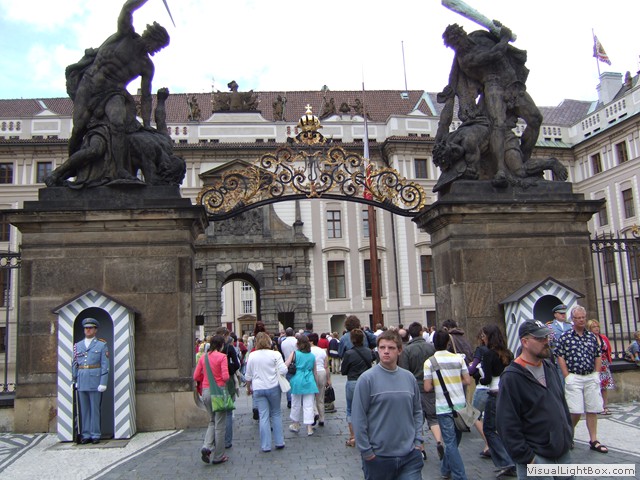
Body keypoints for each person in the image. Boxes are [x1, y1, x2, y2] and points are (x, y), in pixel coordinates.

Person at [66, 0, 170, 182]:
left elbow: (146, 97)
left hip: (114, 92)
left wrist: (146, 124)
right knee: (78, 128)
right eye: (158, 46)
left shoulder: (146, 65)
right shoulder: (125, 35)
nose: (157, 50)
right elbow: (127, 8)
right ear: (151, 37)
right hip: (90, 84)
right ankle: (72, 169)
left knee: (118, 123)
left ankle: (120, 169)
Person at [441, 22, 542, 184]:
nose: (457, 46)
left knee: (536, 119)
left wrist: (497, 30)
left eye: (457, 40)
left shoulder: (479, 36)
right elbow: (494, 54)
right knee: (498, 124)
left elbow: (494, 40)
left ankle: (524, 158)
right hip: (493, 85)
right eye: (453, 45)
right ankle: (501, 169)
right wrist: (505, 38)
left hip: (512, 83)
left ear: (462, 34)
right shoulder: (465, 59)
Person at [497, 320, 574, 480]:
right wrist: (528, 458)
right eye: (539, 338)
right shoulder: (512, 377)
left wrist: (567, 434)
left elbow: (561, 403)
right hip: (536, 457)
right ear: (525, 342)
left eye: (546, 337)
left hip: (562, 453)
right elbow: (507, 423)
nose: (546, 341)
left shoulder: (549, 367)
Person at [352, 330, 425, 480]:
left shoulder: (409, 378)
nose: (386, 351)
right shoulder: (366, 379)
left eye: (391, 348)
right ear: (377, 350)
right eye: (382, 347)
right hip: (378, 457)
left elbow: (417, 411)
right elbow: (358, 417)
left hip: (409, 456)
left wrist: (418, 441)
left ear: (399, 350)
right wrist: (367, 452)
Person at [555, 305, 608, 453]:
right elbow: (560, 356)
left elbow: (598, 355)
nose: (581, 320)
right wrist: (566, 375)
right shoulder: (565, 337)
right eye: (578, 318)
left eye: (583, 317)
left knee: (592, 409)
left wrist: (596, 373)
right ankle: (569, 435)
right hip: (574, 376)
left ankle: (593, 439)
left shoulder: (591, 337)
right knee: (575, 410)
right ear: (573, 319)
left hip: (590, 376)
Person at [424, 329, 471, 480]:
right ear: (448, 343)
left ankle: (459, 476)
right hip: (460, 405)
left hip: (443, 406)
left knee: (450, 443)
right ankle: (445, 469)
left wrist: (439, 384)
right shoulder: (458, 358)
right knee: (455, 441)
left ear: (434, 343)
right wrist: (455, 382)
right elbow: (467, 380)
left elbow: (427, 387)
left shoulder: (429, 362)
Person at [398, 321, 442, 460]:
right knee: (433, 418)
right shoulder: (431, 348)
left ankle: (421, 449)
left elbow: (404, 372)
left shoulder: (407, 350)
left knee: (416, 420)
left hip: (414, 388)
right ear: (421, 332)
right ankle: (439, 441)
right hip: (430, 387)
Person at [478, 325, 516, 477]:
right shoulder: (508, 353)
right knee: (505, 429)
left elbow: (487, 379)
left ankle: (505, 461)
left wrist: (478, 376)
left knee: (489, 429)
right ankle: (512, 460)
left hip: (494, 393)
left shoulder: (489, 354)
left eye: (484, 336)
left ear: (489, 337)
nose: (482, 339)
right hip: (507, 393)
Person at [244, 332, 287, 452]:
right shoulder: (275, 354)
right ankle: (279, 441)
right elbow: (283, 370)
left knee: (263, 416)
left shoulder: (252, 355)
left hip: (258, 388)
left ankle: (265, 445)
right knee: (276, 413)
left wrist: (248, 388)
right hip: (273, 386)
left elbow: (248, 375)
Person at [193, 335, 230, 465]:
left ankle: (207, 446)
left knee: (212, 421)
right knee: (220, 425)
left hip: (206, 391)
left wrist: (206, 377)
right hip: (218, 392)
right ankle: (219, 456)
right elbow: (225, 377)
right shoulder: (222, 357)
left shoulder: (203, 357)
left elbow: (196, 376)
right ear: (221, 345)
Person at [72, 318, 109, 444]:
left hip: (95, 379)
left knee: (94, 409)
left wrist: (103, 382)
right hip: (82, 379)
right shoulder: (78, 345)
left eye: (90, 328)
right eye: (86, 328)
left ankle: (95, 434)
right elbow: (75, 363)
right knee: (84, 409)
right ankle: (86, 434)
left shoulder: (101, 345)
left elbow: (105, 365)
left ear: (95, 330)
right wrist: (74, 379)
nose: (88, 330)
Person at [341, 328, 373, 447]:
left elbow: (343, 371)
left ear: (351, 339)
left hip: (353, 381)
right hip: (366, 382)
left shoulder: (349, 353)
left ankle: (353, 437)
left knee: (350, 409)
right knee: (367, 408)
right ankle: (367, 435)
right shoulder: (369, 352)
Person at [285, 334, 318, 436]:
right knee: (309, 405)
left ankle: (295, 424)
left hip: (297, 380)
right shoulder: (312, 356)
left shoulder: (294, 353)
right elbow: (315, 371)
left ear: (298, 344)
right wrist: (316, 384)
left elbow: (286, 365)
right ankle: (309, 428)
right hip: (309, 380)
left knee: (295, 403)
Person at [215, 327, 240, 449]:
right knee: (229, 413)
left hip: (213, 381)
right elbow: (237, 364)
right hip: (227, 380)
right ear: (225, 335)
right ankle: (227, 441)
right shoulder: (229, 348)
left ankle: (215, 441)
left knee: (216, 413)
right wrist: (230, 369)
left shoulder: (210, 350)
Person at [467, 330, 490, 458]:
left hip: (483, 387)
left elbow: (471, 370)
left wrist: (471, 366)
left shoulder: (481, 350)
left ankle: (489, 443)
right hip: (499, 388)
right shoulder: (502, 350)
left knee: (473, 415)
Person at [587, 320, 615, 415]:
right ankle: (596, 406)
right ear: (590, 328)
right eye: (594, 327)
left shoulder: (602, 337)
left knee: (604, 386)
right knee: (595, 386)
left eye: (597, 326)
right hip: (594, 364)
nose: (596, 328)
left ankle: (605, 406)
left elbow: (608, 349)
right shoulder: (588, 338)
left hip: (604, 365)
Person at [309, 333, 330, 427]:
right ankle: (322, 419)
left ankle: (315, 412)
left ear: (311, 341)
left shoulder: (308, 351)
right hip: (322, 373)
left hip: (312, 373)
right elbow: (326, 366)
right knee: (320, 397)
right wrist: (328, 379)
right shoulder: (322, 351)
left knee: (310, 396)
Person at [279, 327, 298, 408]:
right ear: (293, 333)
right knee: (297, 381)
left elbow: (283, 352)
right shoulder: (297, 341)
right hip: (297, 363)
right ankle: (297, 398)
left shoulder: (283, 342)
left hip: (287, 363)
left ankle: (289, 400)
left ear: (286, 334)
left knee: (288, 383)